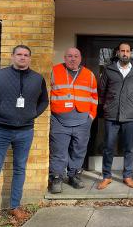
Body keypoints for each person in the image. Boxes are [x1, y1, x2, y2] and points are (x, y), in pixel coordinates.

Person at [0, 45, 49, 227]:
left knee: (20, 168)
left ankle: (15, 206)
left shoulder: (37, 78)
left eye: (26, 55)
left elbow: (44, 100)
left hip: (25, 131)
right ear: (12, 57)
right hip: (0, 130)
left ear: (30, 58)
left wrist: (33, 113)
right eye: (19, 54)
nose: (22, 57)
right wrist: (1, 111)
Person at [48, 47, 98, 194]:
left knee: (79, 150)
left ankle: (74, 175)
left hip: (83, 120)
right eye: (69, 56)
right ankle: (56, 178)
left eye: (76, 56)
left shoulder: (89, 75)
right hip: (59, 120)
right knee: (58, 151)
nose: (73, 59)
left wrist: (91, 116)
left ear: (80, 58)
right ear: (64, 58)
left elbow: (94, 97)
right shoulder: (54, 71)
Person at [97, 42, 133, 190]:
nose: (125, 53)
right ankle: (106, 176)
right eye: (122, 51)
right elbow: (102, 91)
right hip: (112, 114)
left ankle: (127, 176)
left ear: (130, 53)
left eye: (127, 51)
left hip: (130, 115)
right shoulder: (108, 70)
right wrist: (107, 105)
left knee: (129, 148)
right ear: (118, 53)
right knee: (109, 147)